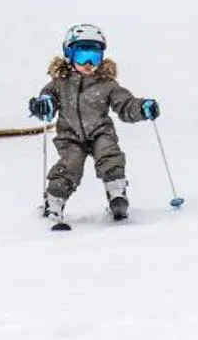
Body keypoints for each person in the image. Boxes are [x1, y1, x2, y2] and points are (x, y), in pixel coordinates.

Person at [27, 24, 159, 228]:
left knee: (109, 154)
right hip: (70, 136)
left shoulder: (107, 84)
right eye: (82, 56)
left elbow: (125, 105)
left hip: (100, 132)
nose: (89, 64)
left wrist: (142, 108)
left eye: (95, 57)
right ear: (69, 55)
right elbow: (48, 98)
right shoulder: (59, 83)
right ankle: (54, 202)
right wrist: (43, 105)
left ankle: (117, 195)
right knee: (70, 165)